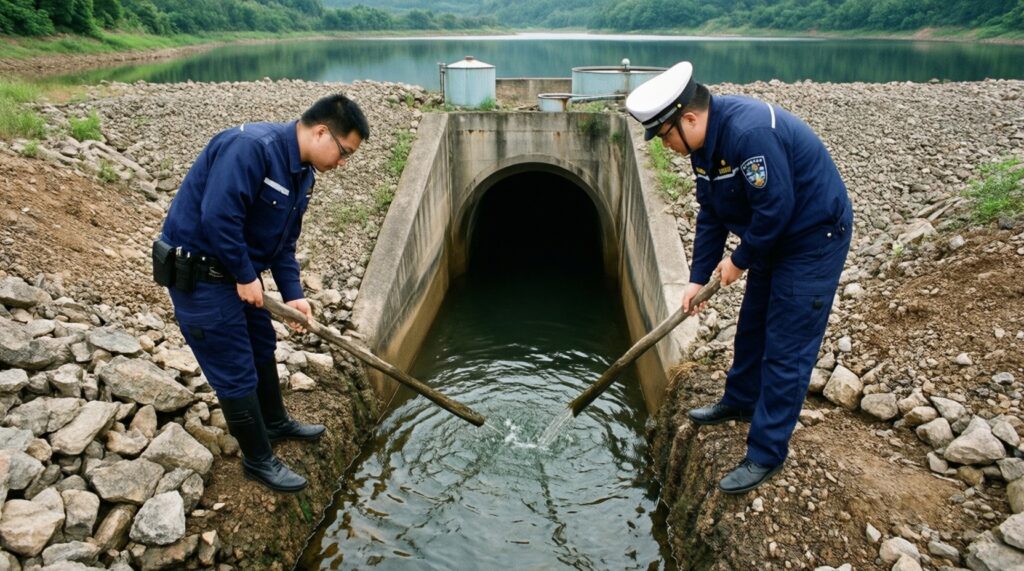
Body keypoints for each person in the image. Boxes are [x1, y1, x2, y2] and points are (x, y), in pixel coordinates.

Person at [625, 62, 852, 494]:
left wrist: (739, 260)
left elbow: (777, 208)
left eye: (666, 135)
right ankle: (741, 400)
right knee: (751, 327)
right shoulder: (703, 146)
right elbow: (712, 213)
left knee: (786, 346)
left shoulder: (749, 135)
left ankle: (766, 453)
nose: (668, 145)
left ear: (688, 118)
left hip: (810, 237)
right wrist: (696, 277)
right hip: (771, 237)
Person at [154, 94, 370, 493]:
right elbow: (218, 217)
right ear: (322, 132)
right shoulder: (251, 149)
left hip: (236, 275)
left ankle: (274, 422)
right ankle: (258, 459)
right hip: (201, 276)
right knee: (234, 366)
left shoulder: (302, 174)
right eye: (344, 153)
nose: (343, 163)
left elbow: (283, 245)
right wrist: (243, 274)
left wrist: (294, 295)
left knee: (260, 344)